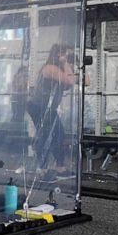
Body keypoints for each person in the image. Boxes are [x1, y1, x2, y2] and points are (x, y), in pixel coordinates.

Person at [26, 43, 80, 181]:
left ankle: (60, 168)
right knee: (45, 135)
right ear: (58, 55)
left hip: (49, 108)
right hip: (38, 106)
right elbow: (70, 79)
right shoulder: (49, 68)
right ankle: (42, 170)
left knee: (59, 135)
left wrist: (77, 65)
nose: (69, 58)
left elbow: (86, 81)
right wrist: (66, 64)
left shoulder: (63, 70)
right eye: (67, 55)